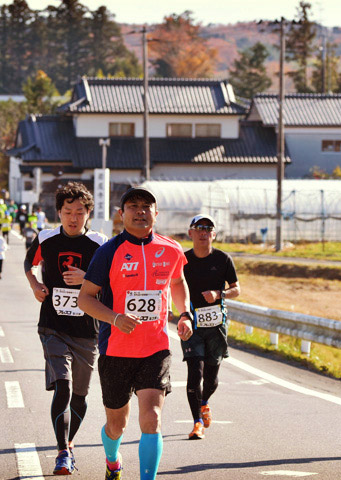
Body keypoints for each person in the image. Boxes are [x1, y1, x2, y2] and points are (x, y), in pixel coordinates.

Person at [78, 186, 194, 480]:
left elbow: (178, 282)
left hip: (155, 347)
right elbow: (85, 298)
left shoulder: (171, 249)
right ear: (121, 214)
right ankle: (112, 459)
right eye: (133, 206)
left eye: (146, 206)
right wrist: (115, 318)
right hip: (116, 350)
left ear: (157, 213)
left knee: (152, 419)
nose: (140, 211)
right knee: (117, 425)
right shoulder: (108, 252)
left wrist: (185, 313)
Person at [24, 182, 107, 475]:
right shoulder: (46, 238)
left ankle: (69, 444)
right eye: (68, 211)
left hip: (87, 330)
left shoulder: (99, 244)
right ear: (58, 212)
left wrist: (87, 279)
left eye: (80, 212)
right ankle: (61, 451)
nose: (73, 218)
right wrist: (35, 285)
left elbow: (111, 284)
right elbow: (28, 263)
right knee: (64, 386)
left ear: (88, 213)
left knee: (81, 396)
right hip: (53, 325)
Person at [180, 214, 240, 440]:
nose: (203, 232)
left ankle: (204, 403)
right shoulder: (183, 260)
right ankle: (196, 422)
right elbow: (172, 285)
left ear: (214, 234)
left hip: (216, 325)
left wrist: (219, 293)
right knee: (195, 372)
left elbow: (237, 288)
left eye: (208, 228)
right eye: (199, 228)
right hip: (191, 323)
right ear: (191, 233)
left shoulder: (223, 259)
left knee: (212, 379)